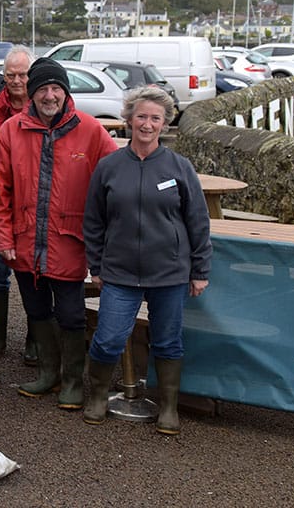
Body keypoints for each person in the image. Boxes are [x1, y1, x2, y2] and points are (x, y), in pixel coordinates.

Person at [82, 87, 211, 435]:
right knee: (108, 339)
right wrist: (97, 266)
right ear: (128, 119)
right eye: (141, 116)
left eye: (155, 118)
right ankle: (96, 396)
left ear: (164, 123)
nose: (147, 124)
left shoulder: (179, 167)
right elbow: (93, 221)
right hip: (119, 273)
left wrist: (200, 270)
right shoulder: (109, 167)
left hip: (169, 273)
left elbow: (198, 221)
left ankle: (168, 407)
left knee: (168, 341)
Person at [0, 57, 115, 410]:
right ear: (31, 94)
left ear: (65, 91)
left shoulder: (91, 130)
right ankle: (49, 372)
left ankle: (74, 380)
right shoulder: (11, 130)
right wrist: (2, 237)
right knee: (36, 309)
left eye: (56, 88)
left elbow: (112, 182)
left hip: (70, 241)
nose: (50, 95)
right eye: (42, 89)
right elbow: (1, 191)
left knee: (72, 314)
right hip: (25, 241)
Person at [0, 45, 37, 362]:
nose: (17, 80)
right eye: (12, 74)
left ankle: (35, 339)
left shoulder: (43, 104)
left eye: (23, 74)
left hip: (32, 199)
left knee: (32, 274)